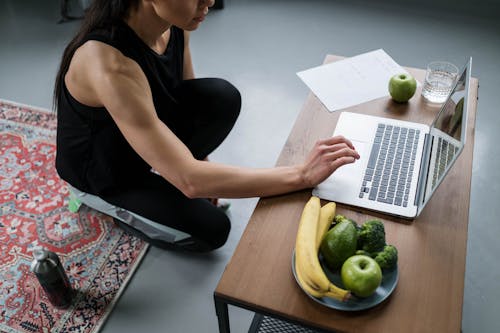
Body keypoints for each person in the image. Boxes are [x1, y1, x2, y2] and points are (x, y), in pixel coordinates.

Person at [53, 0, 360, 252]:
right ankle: (101, 203)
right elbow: (190, 181)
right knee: (212, 229)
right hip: (105, 173)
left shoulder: (173, 23)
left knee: (222, 98)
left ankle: (166, 163)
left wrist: (198, 161)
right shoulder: (110, 65)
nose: (209, 2)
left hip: (139, 134)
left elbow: (182, 94)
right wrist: (300, 175)